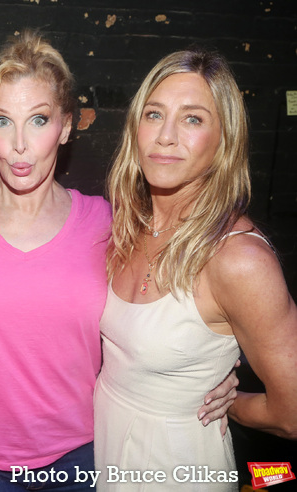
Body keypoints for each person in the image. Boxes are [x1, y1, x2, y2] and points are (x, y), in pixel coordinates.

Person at [0, 32, 238, 492]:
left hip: (78, 458)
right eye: (2, 121)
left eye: (38, 120)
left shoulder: (110, 224)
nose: (18, 144)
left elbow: (174, 309)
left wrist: (217, 376)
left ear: (67, 126)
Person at [95, 48, 297, 490]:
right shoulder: (127, 225)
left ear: (225, 138)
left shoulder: (239, 259)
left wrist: (233, 404)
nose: (165, 136)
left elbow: (292, 414)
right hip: (109, 447)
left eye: (192, 119)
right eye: (154, 114)